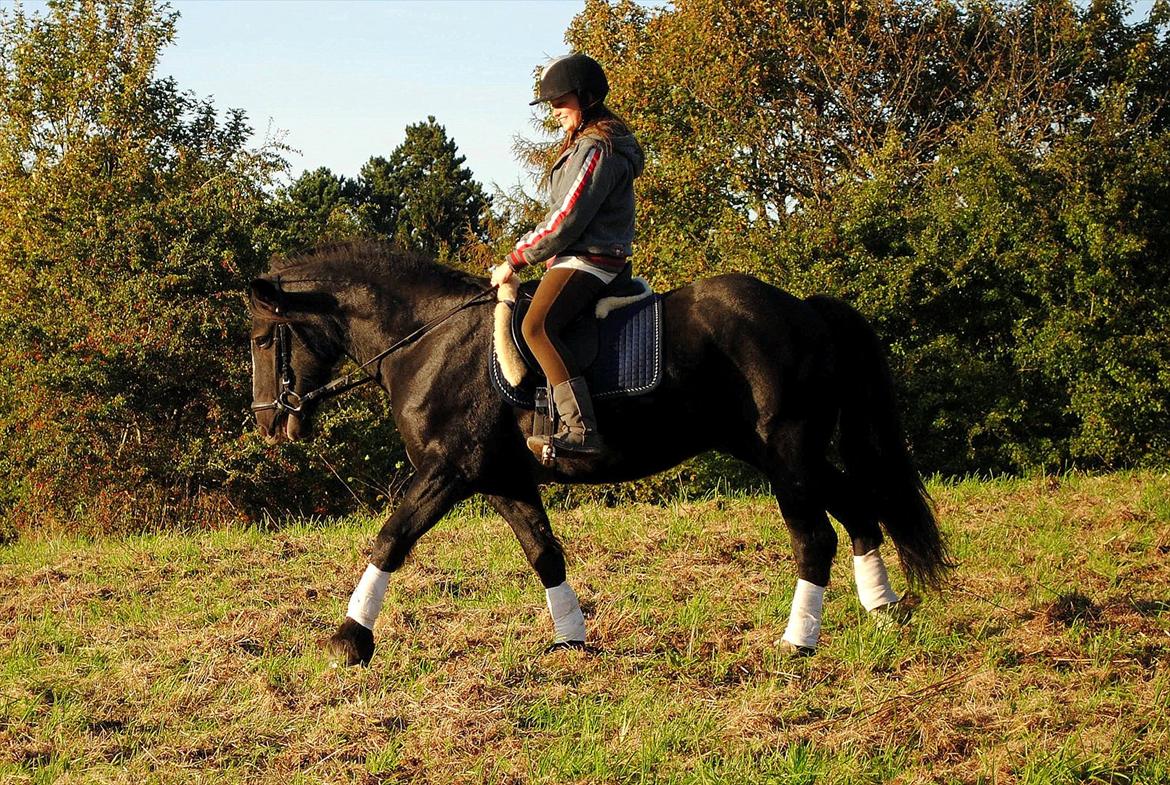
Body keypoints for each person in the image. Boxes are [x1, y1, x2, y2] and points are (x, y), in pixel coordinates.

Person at [491, 53, 645, 458]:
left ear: (587, 97)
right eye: (552, 102)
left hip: (590, 260)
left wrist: (515, 259)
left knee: (535, 327)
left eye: (562, 101)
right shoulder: (587, 143)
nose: (555, 110)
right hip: (576, 258)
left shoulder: (598, 148)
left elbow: (565, 219)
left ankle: (580, 429)